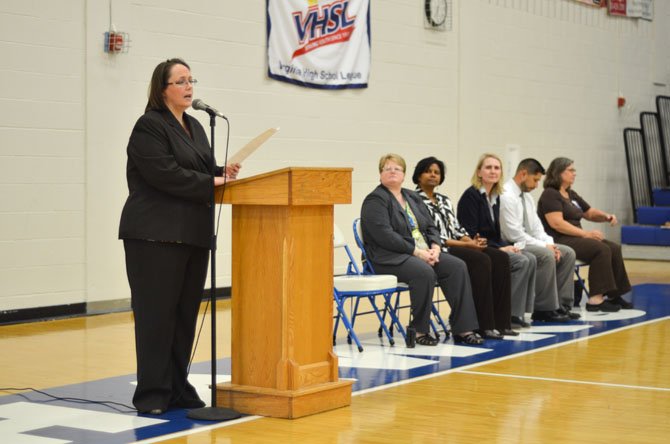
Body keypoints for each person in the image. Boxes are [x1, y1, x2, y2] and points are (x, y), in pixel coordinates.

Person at [119, 58, 241, 415]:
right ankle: (152, 394)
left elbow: (198, 169)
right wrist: (210, 181)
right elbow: (164, 174)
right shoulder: (148, 126)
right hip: (154, 235)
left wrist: (222, 172)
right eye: (181, 81)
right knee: (157, 316)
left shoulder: (196, 126)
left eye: (191, 80)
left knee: (184, 314)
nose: (189, 87)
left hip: (192, 233)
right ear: (162, 89)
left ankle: (176, 385)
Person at [360, 154, 483, 346]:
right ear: (380, 175)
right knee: (423, 272)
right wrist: (417, 253)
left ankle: (463, 328)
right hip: (387, 257)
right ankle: (419, 330)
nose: (392, 171)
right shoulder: (375, 200)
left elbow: (430, 227)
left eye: (397, 169)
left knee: (457, 266)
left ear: (404, 175)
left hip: (422, 253)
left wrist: (435, 247)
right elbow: (385, 235)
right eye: (387, 168)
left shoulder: (412, 197)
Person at [457, 154, 569, 325]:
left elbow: (497, 233)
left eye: (497, 168)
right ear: (479, 172)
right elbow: (472, 234)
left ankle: (517, 312)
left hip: (494, 244)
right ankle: (508, 313)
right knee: (524, 260)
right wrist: (501, 248)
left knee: (529, 258)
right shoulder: (471, 196)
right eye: (488, 167)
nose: (493, 171)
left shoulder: (494, 197)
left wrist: (505, 246)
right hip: (475, 248)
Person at [412, 157, 518, 338]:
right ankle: (483, 325)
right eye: (428, 171)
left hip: (459, 244)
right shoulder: (414, 200)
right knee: (481, 260)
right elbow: (435, 236)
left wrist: (472, 241)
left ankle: (501, 322)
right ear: (418, 175)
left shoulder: (444, 200)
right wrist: (468, 245)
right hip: (439, 249)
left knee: (500, 258)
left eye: (437, 172)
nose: (433, 175)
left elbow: (457, 228)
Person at [537, 157, 632, 312]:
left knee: (614, 247)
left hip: (576, 237)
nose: (575, 173)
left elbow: (589, 212)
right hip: (560, 239)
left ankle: (614, 295)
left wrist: (606, 216)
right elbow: (556, 223)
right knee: (600, 249)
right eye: (571, 170)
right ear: (558, 172)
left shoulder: (571, 194)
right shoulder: (550, 194)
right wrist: (586, 234)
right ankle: (595, 300)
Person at [500, 158, 580, 321]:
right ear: (523, 174)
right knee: (545, 254)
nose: (537, 185)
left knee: (568, 253)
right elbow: (513, 234)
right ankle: (543, 308)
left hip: (528, 241)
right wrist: (545, 247)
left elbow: (537, 229)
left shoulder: (527, 197)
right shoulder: (506, 195)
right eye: (535, 180)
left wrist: (550, 244)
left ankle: (561, 305)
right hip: (512, 244)